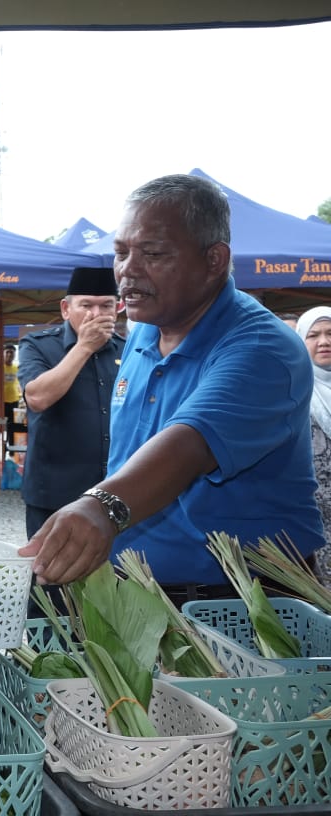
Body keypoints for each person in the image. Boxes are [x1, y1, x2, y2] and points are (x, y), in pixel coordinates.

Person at [20, 174, 324, 604]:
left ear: (215, 260)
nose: (128, 270)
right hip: (141, 589)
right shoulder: (146, 330)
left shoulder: (262, 347)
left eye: (153, 253)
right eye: (121, 253)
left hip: (245, 599)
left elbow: (190, 443)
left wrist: (100, 508)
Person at [17, 267, 125, 537]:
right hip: (55, 492)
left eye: (106, 306)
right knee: (50, 575)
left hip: (114, 490)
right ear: (66, 309)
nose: (97, 314)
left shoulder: (130, 349)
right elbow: (38, 397)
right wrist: (84, 347)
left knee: (115, 576)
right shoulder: (38, 345)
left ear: (118, 308)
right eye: (86, 305)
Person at [296, 307, 331, 587]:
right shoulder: (294, 393)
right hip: (317, 527)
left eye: (330, 333)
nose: (324, 341)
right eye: (313, 335)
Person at [0, 342, 23, 448]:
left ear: (15, 355)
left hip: (14, 403)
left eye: (12, 353)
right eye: (7, 352)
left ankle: (11, 450)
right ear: (3, 354)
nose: (9, 355)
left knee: (13, 427)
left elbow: (18, 384)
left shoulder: (16, 368)